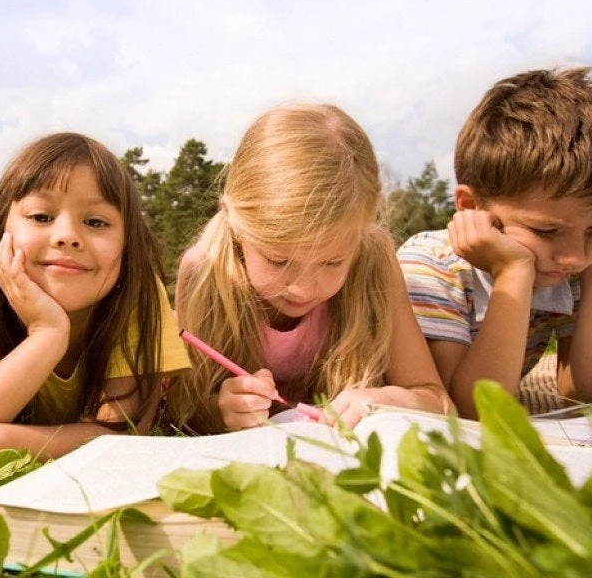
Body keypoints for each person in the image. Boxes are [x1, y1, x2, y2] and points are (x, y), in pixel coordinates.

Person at [167, 104, 450, 433]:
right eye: (278, 260)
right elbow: (183, 406)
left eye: (332, 262)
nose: (302, 288)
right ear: (233, 221)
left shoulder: (374, 259)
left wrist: (390, 399)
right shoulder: (205, 271)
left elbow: (437, 401)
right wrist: (220, 410)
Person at [0, 132, 191, 469]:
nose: (66, 236)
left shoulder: (138, 297)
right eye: (41, 217)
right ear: (2, 231)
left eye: (95, 222)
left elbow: (121, 434)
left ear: (126, 244)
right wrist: (48, 334)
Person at [397, 67, 592, 418]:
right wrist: (514, 272)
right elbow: (468, 410)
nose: (574, 257)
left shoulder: (580, 262)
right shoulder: (431, 265)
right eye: (546, 231)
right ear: (471, 207)